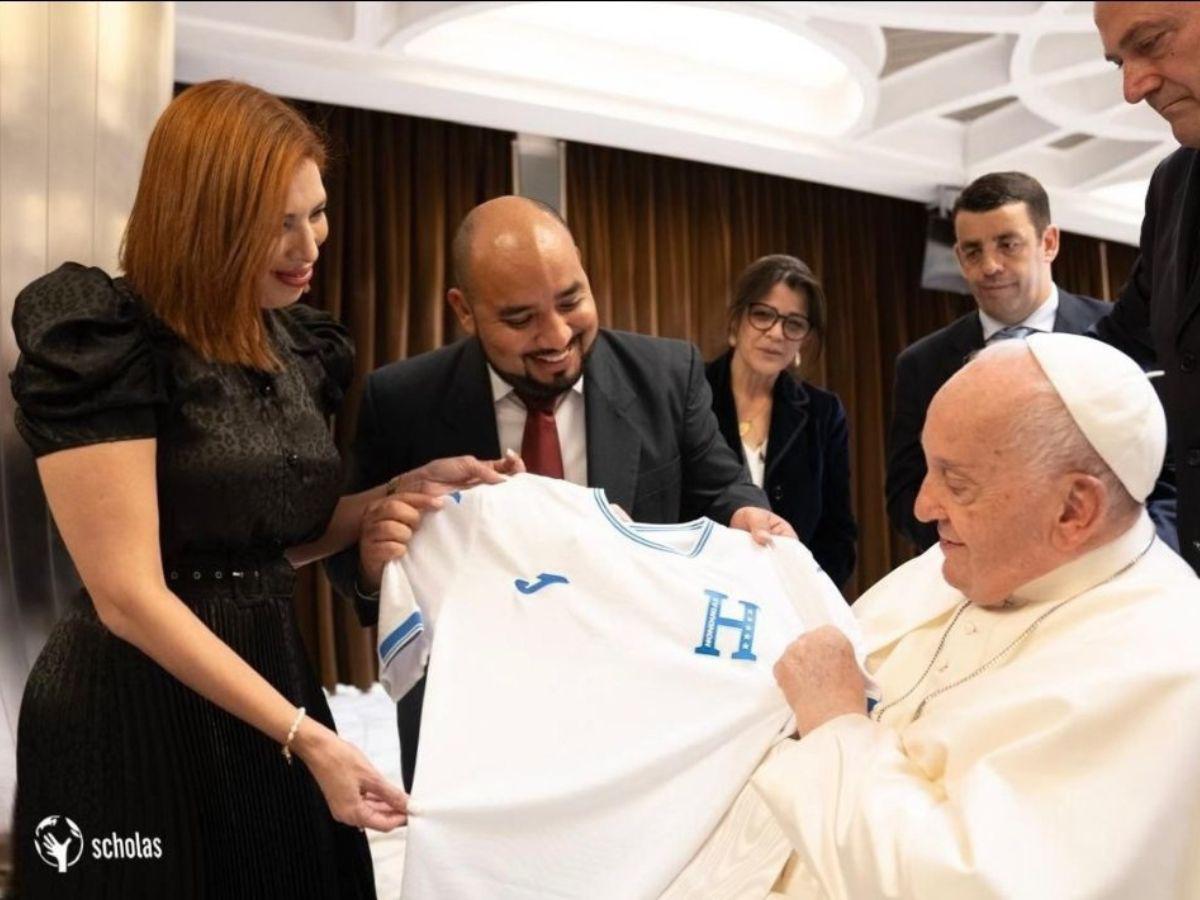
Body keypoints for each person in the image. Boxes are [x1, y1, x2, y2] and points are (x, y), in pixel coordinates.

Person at [6, 80, 432, 898]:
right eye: (278, 221)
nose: (309, 243)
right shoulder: (104, 337)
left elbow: (266, 541)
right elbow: (128, 594)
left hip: (270, 687)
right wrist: (307, 737)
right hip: (131, 704)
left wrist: (396, 493)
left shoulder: (299, 344)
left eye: (316, 211)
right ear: (201, 217)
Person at [686, 333, 1200, 897]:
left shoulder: (1167, 670)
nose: (923, 506)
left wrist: (834, 721)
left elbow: (967, 886)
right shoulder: (962, 558)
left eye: (956, 482)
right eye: (928, 469)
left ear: (1074, 509)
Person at [327, 195, 789, 789]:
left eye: (571, 301)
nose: (556, 335)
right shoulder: (401, 401)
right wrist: (372, 560)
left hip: (638, 711)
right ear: (463, 311)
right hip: (472, 731)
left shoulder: (667, 375)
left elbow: (721, 485)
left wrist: (750, 515)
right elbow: (351, 566)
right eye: (519, 319)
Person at [886, 171, 1112, 551]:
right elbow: (906, 496)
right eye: (973, 251)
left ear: (1049, 243)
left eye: (1008, 245)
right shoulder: (922, 365)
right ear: (959, 257)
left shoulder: (1116, 337)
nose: (990, 265)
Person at [1093, 1, 1200, 575]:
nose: (1134, 89)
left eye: (1153, 41)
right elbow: (1126, 338)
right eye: (1119, 63)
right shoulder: (1174, 182)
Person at [705, 255, 857, 588]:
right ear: (736, 322)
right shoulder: (694, 395)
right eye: (763, 315)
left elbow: (838, 534)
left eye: (794, 323)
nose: (776, 333)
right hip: (699, 594)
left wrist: (804, 591)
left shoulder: (823, 412)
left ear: (804, 338)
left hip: (791, 603)